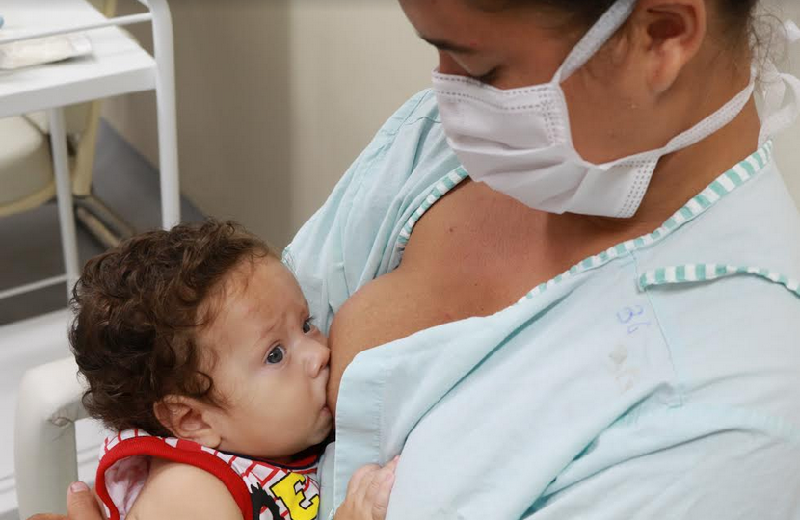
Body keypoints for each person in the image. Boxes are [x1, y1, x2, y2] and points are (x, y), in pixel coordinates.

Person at [30, 0, 800, 518]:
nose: (450, 104)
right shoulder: (449, 146)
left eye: (482, 70)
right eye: (437, 51)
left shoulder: (724, 413)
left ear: (662, 33)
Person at [65, 220, 396, 520]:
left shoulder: (267, 441)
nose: (320, 353)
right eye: (275, 355)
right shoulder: (188, 492)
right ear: (194, 420)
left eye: (306, 324)